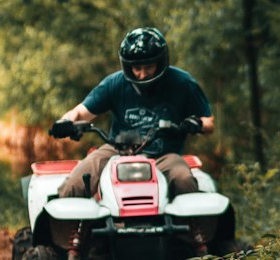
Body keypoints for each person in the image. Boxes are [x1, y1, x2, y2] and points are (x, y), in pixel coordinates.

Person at [49, 26, 213, 199]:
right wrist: (65, 122)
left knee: (184, 180)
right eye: (137, 68)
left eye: (149, 66)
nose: (142, 74)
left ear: (160, 62)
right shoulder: (115, 83)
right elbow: (81, 112)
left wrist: (197, 123)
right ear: (128, 66)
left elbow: (209, 122)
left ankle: (191, 226)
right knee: (75, 183)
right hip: (117, 150)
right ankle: (62, 225)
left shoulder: (182, 83)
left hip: (164, 156)